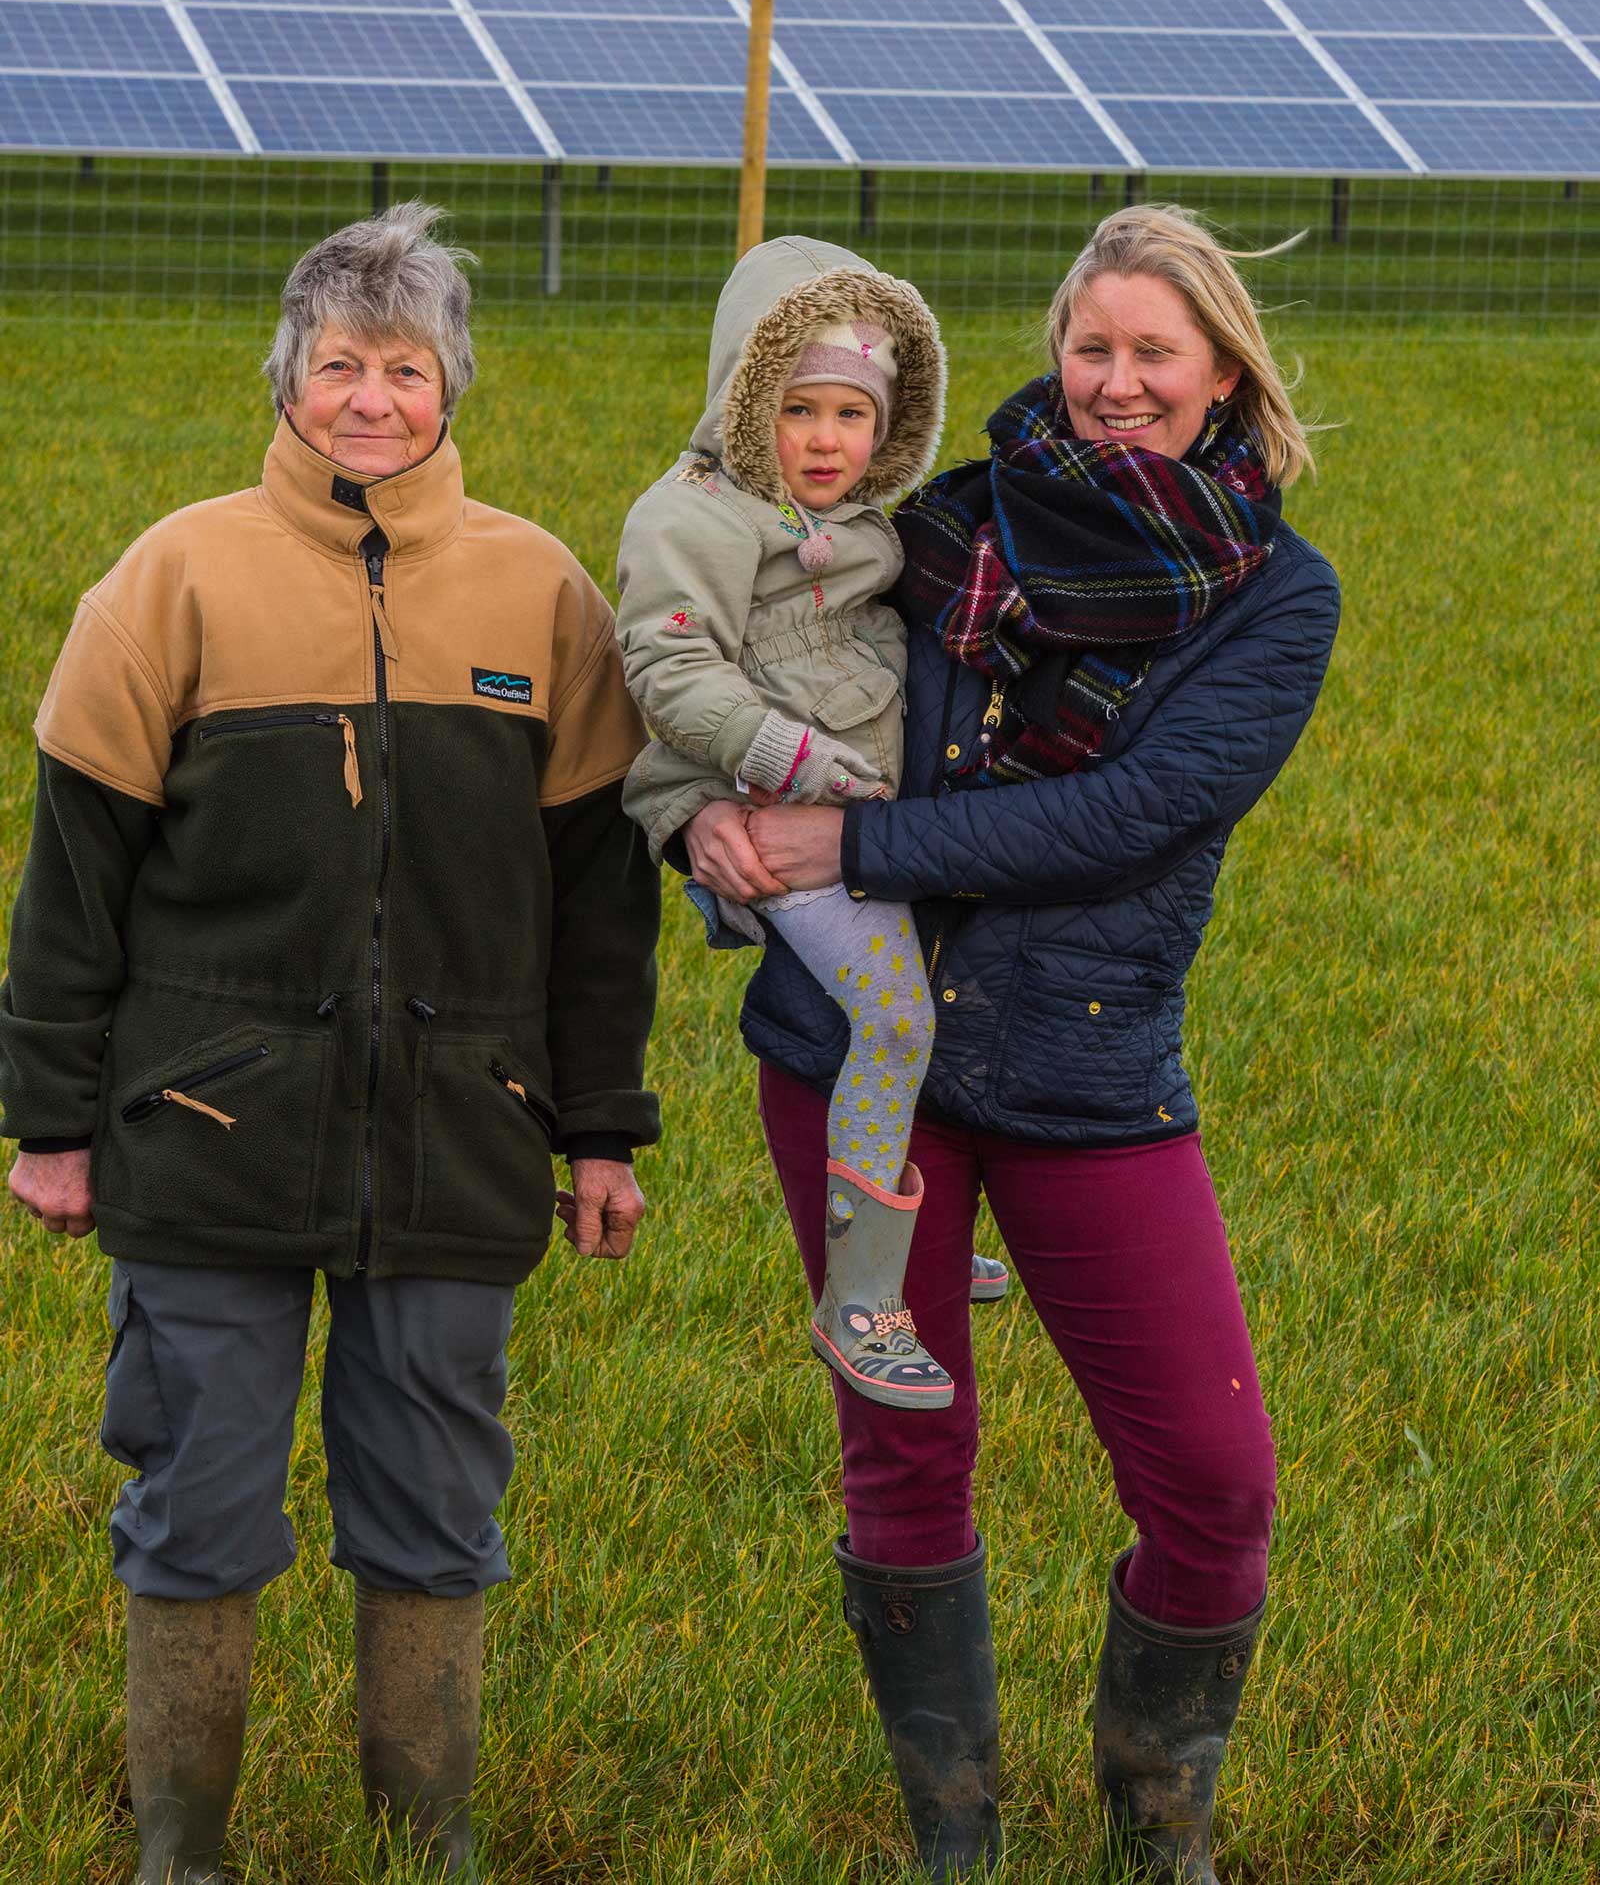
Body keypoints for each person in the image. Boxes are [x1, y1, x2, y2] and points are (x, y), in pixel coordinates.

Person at [0, 202, 660, 1885]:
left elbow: (598, 908)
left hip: (463, 1131)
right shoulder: (174, 575)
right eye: (341, 365)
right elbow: (72, 887)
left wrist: (599, 1129)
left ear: (454, 387)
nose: (372, 397)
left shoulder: (542, 592)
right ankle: (182, 1854)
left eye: (407, 366)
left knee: (436, 1510)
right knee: (195, 1500)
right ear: (291, 379)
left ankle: (421, 1842)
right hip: (202, 1127)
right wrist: (51, 1119)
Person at [681, 205, 1342, 1883]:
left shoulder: (1271, 594)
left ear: (1220, 379)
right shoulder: (941, 529)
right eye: (1089, 347)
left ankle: (1157, 1825)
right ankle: (952, 1842)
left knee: (1216, 1478)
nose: (1114, 383)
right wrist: (699, 822)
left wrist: (855, 849)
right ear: (1056, 352)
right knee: (905, 1443)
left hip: (1087, 1072)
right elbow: (742, 656)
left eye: (1153, 355)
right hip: (849, 1052)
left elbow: (1134, 813)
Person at [616, 233, 965, 1408]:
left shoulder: (867, 524)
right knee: (897, 1016)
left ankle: (900, 1234)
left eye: (853, 416)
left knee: (921, 1000)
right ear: (745, 397)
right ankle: (860, 1295)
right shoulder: (693, 515)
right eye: (799, 408)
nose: (826, 440)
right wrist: (794, 760)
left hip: (852, 823)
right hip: (775, 826)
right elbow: (668, 671)